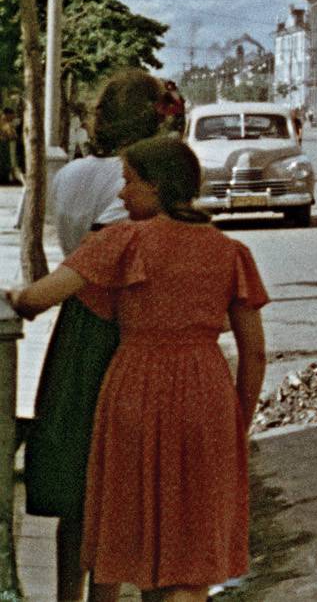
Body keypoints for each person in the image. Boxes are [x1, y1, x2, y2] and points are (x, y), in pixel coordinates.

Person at [7, 137, 268, 602]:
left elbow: (38, 300)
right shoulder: (230, 252)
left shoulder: (122, 240)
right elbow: (255, 355)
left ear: (157, 187)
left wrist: (14, 298)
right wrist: (238, 424)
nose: (122, 195)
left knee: (127, 534)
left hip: (136, 391)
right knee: (188, 550)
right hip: (206, 394)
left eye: (129, 182)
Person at [27, 70, 166, 602]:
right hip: (120, 328)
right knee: (120, 477)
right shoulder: (137, 183)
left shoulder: (73, 174)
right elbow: (117, 257)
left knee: (79, 478)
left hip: (76, 327)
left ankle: (68, 595)